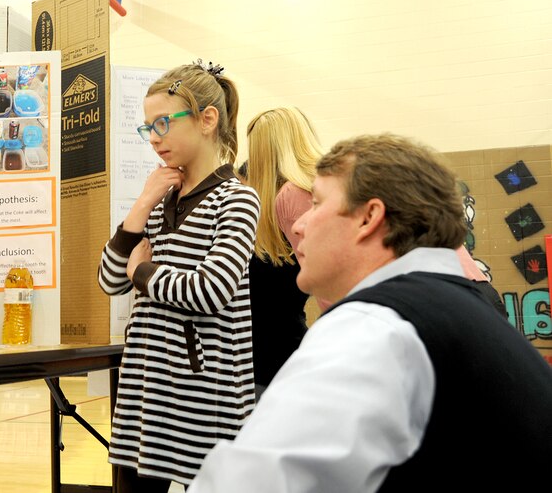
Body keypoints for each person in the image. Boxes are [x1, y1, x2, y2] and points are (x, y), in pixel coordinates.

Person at [188, 134, 552, 493]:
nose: (299, 225)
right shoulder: (463, 303)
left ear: (369, 218)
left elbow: (244, 483)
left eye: (316, 204)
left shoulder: (374, 327)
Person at [97, 59, 260, 492]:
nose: (154, 138)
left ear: (208, 120)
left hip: (204, 400)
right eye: (148, 126)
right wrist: (141, 206)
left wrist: (144, 272)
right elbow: (110, 280)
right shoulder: (159, 199)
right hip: (145, 395)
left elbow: (211, 290)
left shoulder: (237, 200)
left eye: (164, 123)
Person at [239, 107, 325, 396]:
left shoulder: (293, 195)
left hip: (275, 360)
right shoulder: (287, 198)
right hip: (271, 358)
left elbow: (326, 283)